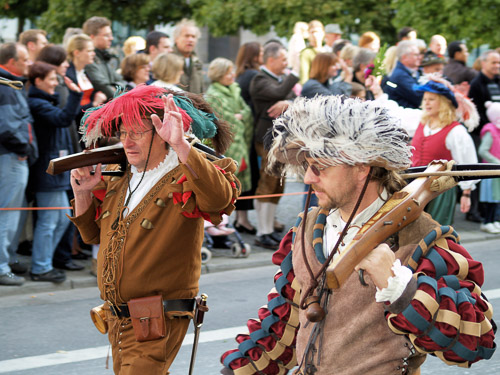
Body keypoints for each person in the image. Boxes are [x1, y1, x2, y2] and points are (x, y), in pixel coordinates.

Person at [220, 95, 496, 375]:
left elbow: (475, 342)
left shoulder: (422, 237)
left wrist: (400, 286)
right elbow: (281, 327)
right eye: (306, 166)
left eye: (321, 167)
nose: (308, 178)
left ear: (362, 166)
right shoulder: (308, 229)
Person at [69, 85, 239, 373]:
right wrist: (83, 195)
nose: (127, 142)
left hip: (159, 316)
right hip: (118, 319)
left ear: (161, 133)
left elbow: (220, 198)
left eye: (137, 133)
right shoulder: (122, 177)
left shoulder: (184, 171)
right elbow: (93, 236)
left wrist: (181, 145)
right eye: (123, 134)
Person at [27, 61, 83, 282]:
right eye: (51, 79)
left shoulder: (46, 101)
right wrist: (74, 95)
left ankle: (44, 264)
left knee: (60, 220)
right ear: (38, 81)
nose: (55, 83)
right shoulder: (37, 103)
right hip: (46, 173)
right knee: (49, 221)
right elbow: (62, 119)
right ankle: (40, 267)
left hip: (56, 173)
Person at [250, 41, 299, 249]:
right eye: (283, 59)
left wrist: (289, 102)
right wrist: (294, 76)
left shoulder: (275, 79)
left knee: (277, 183)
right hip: (266, 138)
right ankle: (263, 231)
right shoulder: (260, 79)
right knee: (267, 182)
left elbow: (293, 97)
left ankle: (269, 228)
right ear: (271, 60)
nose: (286, 63)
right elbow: (279, 93)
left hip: (279, 138)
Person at [411, 80, 478, 225]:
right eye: (425, 99)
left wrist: (466, 193)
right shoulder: (420, 122)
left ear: (444, 103)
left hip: (440, 192)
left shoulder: (456, 131)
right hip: (413, 187)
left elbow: (468, 164)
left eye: (432, 99)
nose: (426, 103)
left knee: (434, 232)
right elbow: (394, 113)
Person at [0, 42, 38, 286]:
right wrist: (24, 148)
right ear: (11, 62)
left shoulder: (10, 85)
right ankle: (2, 267)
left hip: (13, 157)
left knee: (11, 214)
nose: (29, 63)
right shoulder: (6, 87)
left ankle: (8, 260)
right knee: (7, 215)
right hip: (11, 157)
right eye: (24, 59)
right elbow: (6, 126)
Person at [206, 58, 255, 233]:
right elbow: (227, 122)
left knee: (238, 186)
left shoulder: (235, 90)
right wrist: (239, 116)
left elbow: (247, 112)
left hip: (242, 144)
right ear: (219, 75)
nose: (232, 75)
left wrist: (239, 116)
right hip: (229, 147)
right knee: (226, 185)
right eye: (228, 72)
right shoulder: (214, 94)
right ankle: (220, 224)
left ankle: (234, 222)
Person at [82, 16, 125, 99]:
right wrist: (117, 89)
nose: (111, 38)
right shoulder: (88, 60)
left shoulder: (104, 57)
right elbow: (103, 86)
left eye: (111, 34)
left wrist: (114, 87)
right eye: (106, 35)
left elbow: (122, 81)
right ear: (92, 37)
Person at [478, 101, 500, 233]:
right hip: (490, 170)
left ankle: (494, 220)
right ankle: (487, 221)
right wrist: (496, 161)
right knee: (491, 197)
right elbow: (483, 150)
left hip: (497, 170)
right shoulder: (490, 131)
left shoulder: (497, 130)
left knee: (497, 196)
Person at [384, 40, 424, 108]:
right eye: (416, 55)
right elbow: (420, 97)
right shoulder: (400, 75)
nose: (419, 57)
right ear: (404, 57)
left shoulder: (412, 71)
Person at [172, 19, 205, 94]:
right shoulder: (169, 59)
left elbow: (201, 89)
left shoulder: (197, 61)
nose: (190, 40)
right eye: (186, 36)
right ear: (176, 38)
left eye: (193, 37)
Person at [299, 20, 326, 84]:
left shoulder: (327, 51)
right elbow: (304, 76)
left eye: (317, 32)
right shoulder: (306, 53)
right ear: (308, 34)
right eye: (312, 32)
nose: (315, 35)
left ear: (323, 33)